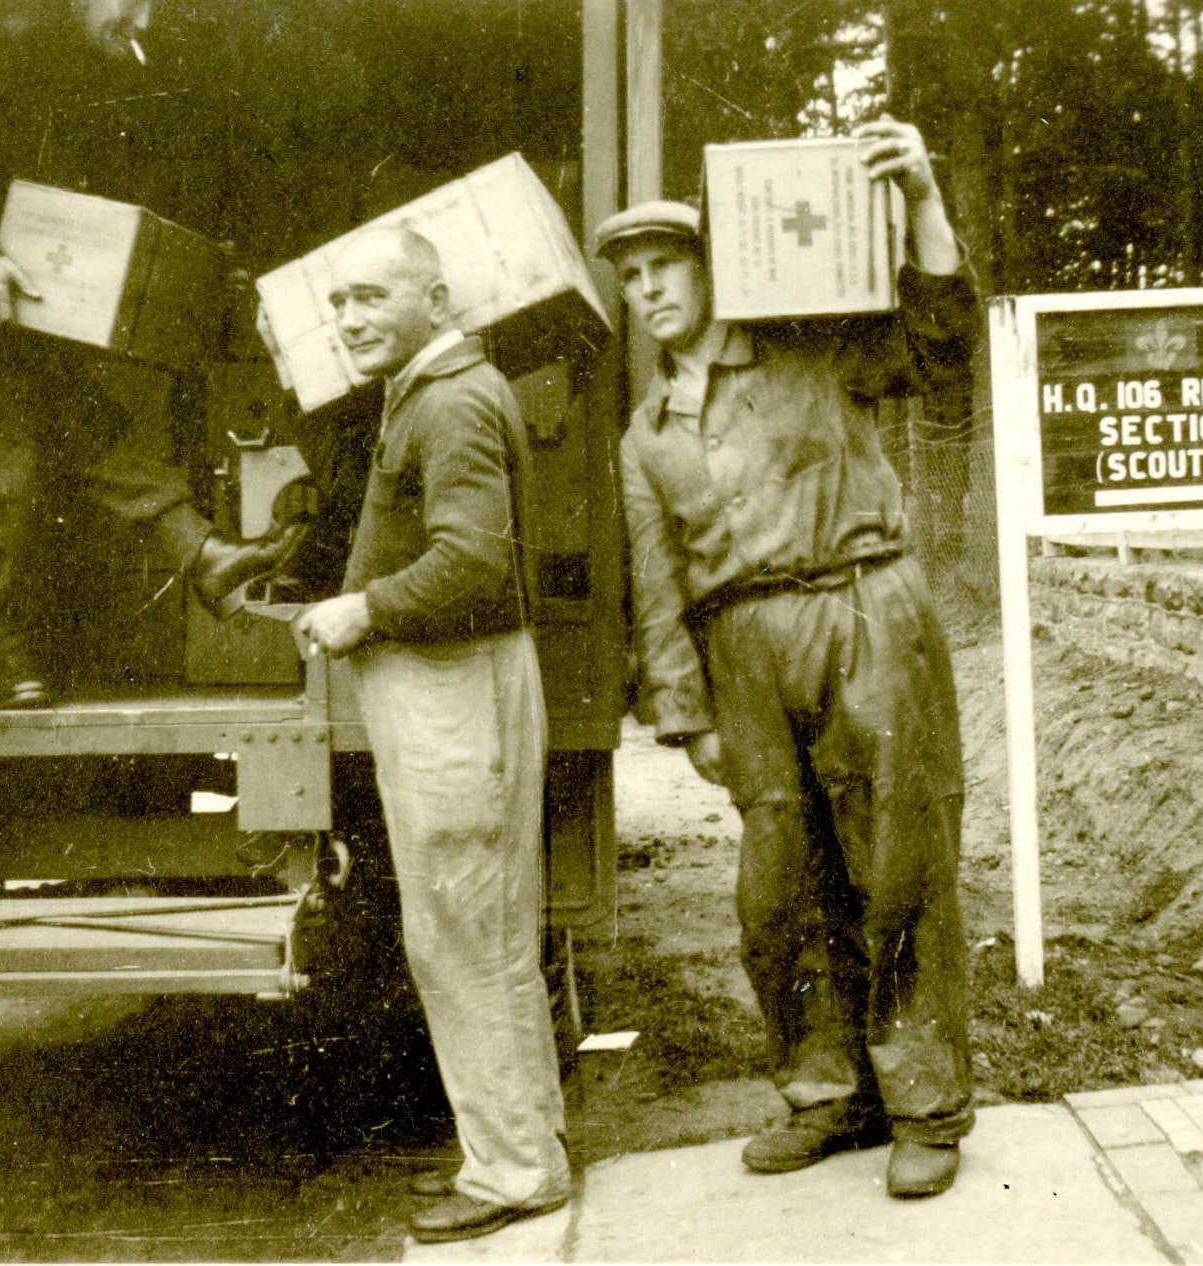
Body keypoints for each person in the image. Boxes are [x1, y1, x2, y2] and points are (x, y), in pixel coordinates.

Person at [597, 117, 979, 1198]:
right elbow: (658, 586)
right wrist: (690, 715)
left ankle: (926, 1106)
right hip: (745, 660)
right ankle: (831, 1096)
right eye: (632, 278)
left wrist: (924, 202)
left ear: (713, 268)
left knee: (897, 865)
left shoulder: (815, 347)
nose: (650, 290)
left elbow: (941, 347)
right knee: (778, 898)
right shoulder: (648, 433)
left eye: (665, 266)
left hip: (865, 613)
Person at [0, 0, 296, 709]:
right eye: (133, 1)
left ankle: (205, 555)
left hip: (20, 267)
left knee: (90, 417)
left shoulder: (76, 55)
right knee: (3, 467)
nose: (145, 22)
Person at [294, 226, 569, 1242]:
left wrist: (357, 609)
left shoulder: (450, 399)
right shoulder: (436, 388)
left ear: (437, 298)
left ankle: (512, 1172)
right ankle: (521, 1151)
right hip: (449, 688)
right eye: (340, 305)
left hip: (455, 691)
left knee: (466, 935)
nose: (352, 318)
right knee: (479, 932)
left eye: (371, 296)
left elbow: (473, 566)